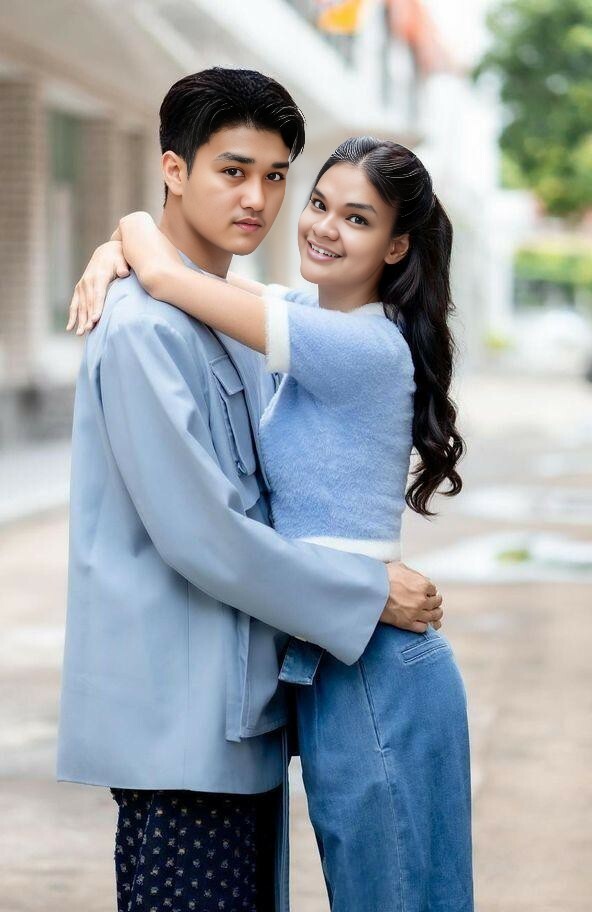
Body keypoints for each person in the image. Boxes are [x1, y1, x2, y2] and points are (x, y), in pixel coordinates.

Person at [59, 69, 444, 912]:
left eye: (275, 176)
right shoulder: (144, 332)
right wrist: (366, 589)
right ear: (173, 169)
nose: (259, 200)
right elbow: (205, 535)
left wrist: (127, 235)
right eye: (233, 171)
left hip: (245, 713)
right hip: (179, 726)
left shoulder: (234, 320)